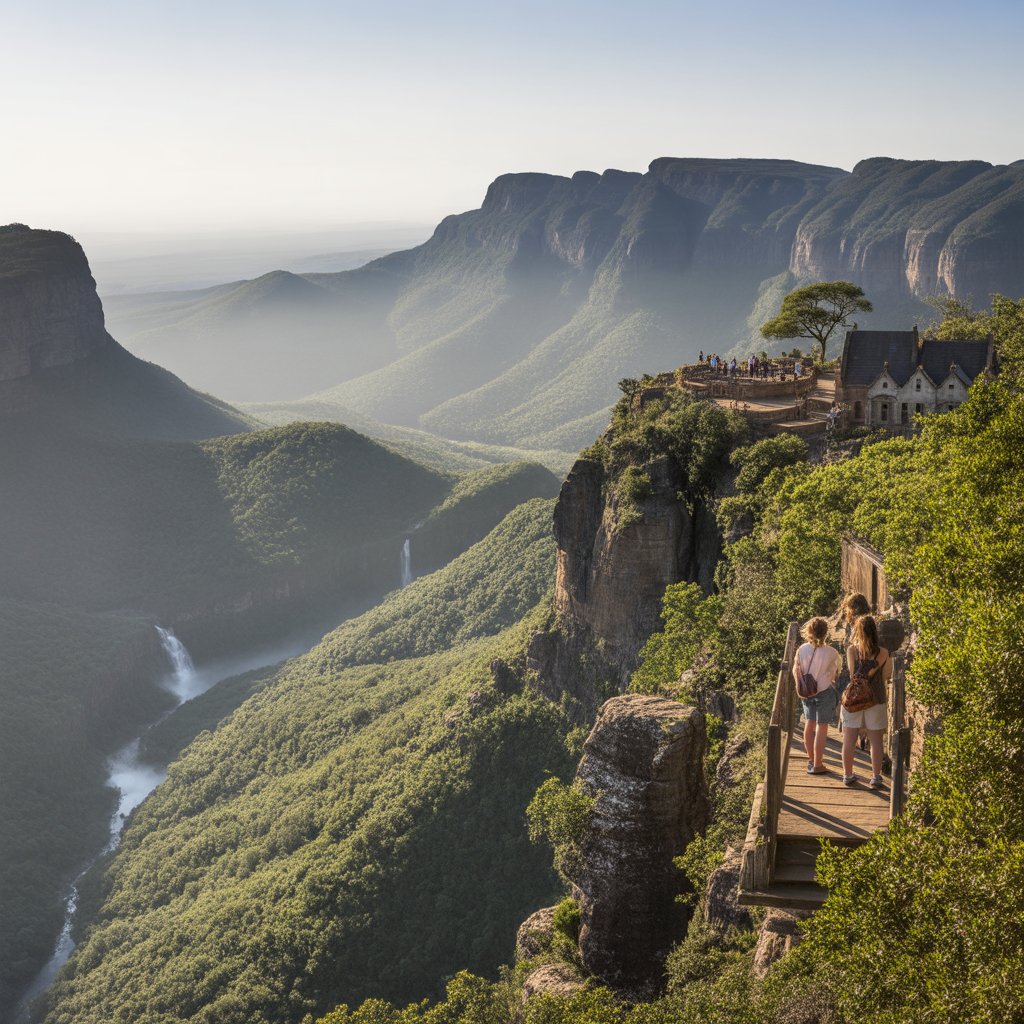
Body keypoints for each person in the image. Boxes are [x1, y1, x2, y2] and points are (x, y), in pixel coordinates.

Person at [841, 614, 891, 789]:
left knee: (849, 739)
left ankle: (847, 774)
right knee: (876, 740)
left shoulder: (852, 651)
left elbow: (852, 674)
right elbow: (885, 676)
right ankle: (876, 776)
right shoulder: (883, 652)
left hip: (854, 699)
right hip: (875, 698)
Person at [793, 617, 843, 774]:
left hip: (806, 692)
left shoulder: (801, 649)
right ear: (826, 633)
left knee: (809, 724)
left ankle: (811, 759)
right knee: (822, 727)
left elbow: (796, 670)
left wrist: (799, 687)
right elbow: (834, 674)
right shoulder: (832, 652)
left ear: (809, 631)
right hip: (824, 692)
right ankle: (818, 764)